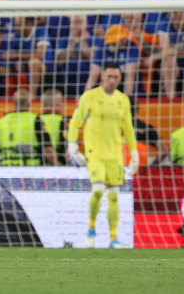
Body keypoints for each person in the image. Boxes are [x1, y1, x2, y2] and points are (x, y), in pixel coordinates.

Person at [67, 63, 138, 249]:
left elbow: (128, 129)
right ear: (102, 77)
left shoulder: (123, 100)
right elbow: (75, 122)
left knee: (114, 196)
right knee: (98, 190)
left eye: (116, 77)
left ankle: (113, 239)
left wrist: (134, 153)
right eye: (109, 77)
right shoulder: (89, 97)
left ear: (120, 79)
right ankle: (91, 230)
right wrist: (72, 146)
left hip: (115, 154)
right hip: (95, 153)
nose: (112, 80)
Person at [0, 89, 57, 166]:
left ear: (15, 103)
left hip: (7, 171)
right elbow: (48, 150)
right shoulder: (35, 120)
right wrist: (56, 168)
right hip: (32, 171)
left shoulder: (0, 122)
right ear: (28, 104)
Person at [39, 88, 67, 165]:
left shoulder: (36, 120)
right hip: (58, 166)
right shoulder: (59, 120)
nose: (63, 105)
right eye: (61, 102)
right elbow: (66, 149)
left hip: (38, 167)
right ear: (52, 104)